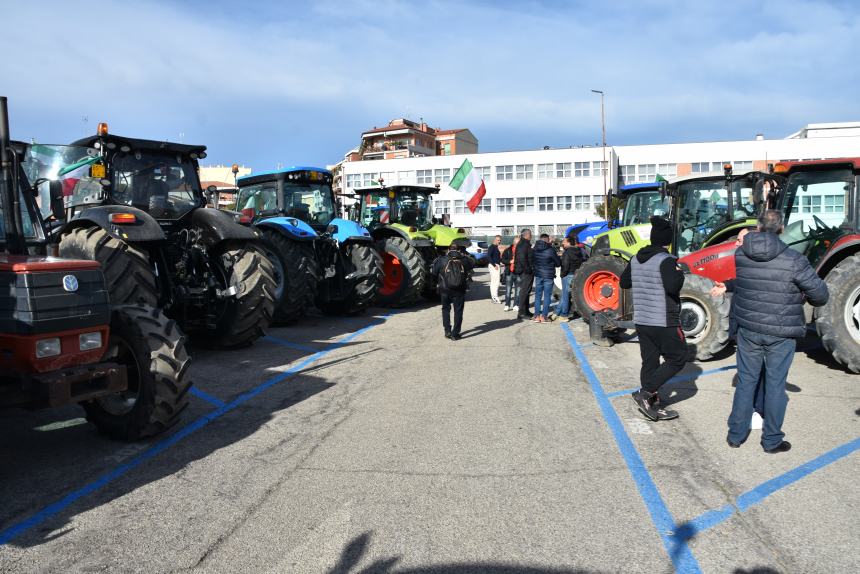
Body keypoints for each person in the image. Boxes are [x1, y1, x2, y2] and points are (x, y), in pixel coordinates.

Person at [711, 210, 828, 453]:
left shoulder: (741, 253)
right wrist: (801, 294)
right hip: (781, 332)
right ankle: (772, 440)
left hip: (748, 328)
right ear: (781, 229)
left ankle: (735, 435)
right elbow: (821, 295)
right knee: (775, 385)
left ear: (758, 227)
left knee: (746, 381)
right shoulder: (795, 259)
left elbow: (747, 283)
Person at [619, 216, 687, 421]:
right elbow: (673, 287)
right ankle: (646, 393)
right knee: (678, 358)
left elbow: (624, 282)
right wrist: (680, 273)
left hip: (642, 319)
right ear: (668, 241)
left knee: (650, 361)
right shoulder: (666, 260)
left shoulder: (636, 258)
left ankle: (652, 403)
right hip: (663, 319)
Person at [431, 247, 475, 340]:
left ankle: (447, 331)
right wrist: (464, 256)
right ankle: (455, 333)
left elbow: (434, 273)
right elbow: (473, 264)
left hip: (445, 290)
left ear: (448, 250)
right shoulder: (464, 260)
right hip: (459, 290)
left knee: (445, 310)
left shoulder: (442, 260)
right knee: (458, 311)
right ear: (459, 250)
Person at [532, 233, 561, 323]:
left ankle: (536, 316)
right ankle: (544, 317)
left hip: (538, 275)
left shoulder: (534, 249)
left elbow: (532, 261)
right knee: (547, 296)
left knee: (538, 296)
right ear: (547, 240)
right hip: (548, 275)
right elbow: (558, 263)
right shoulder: (550, 250)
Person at [557, 237, 584, 321]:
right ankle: (559, 312)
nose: (563, 243)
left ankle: (564, 315)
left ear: (569, 243)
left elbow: (565, 265)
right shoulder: (579, 251)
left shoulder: (567, 252)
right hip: (576, 274)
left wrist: (562, 275)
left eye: (564, 242)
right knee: (572, 295)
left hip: (568, 274)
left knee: (565, 296)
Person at [514, 229, 535, 320]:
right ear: (526, 235)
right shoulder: (523, 244)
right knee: (524, 291)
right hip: (525, 272)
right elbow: (522, 258)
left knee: (527, 291)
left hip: (527, 271)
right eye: (530, 234)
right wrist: (528, 269)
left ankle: (526, 311)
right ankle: (521, 312)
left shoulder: (525, 243)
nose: (532, 236)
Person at [502, 240, 519, 312]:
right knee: (508, 290)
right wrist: (509, 261)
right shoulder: (507, 250)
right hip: (509, 272)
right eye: (517, 243)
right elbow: (502, 260)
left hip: (518, 272)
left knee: (518, 290)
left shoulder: (521, 250)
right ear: (514, 243)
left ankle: (516, 305)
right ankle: (507, 305)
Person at [487, 235, 502, 304]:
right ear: (495, 240)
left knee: (494, 282)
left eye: (500, 240)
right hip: (494, 266)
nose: (499, 241)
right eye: (498, 240)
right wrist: (494, 265)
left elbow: (496, 257)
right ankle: (494, 297)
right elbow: (489, 256)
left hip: (496, 265)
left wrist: (500, 263)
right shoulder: (492, 247)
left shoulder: (495, 247)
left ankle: (494, 297)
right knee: (496, 282)